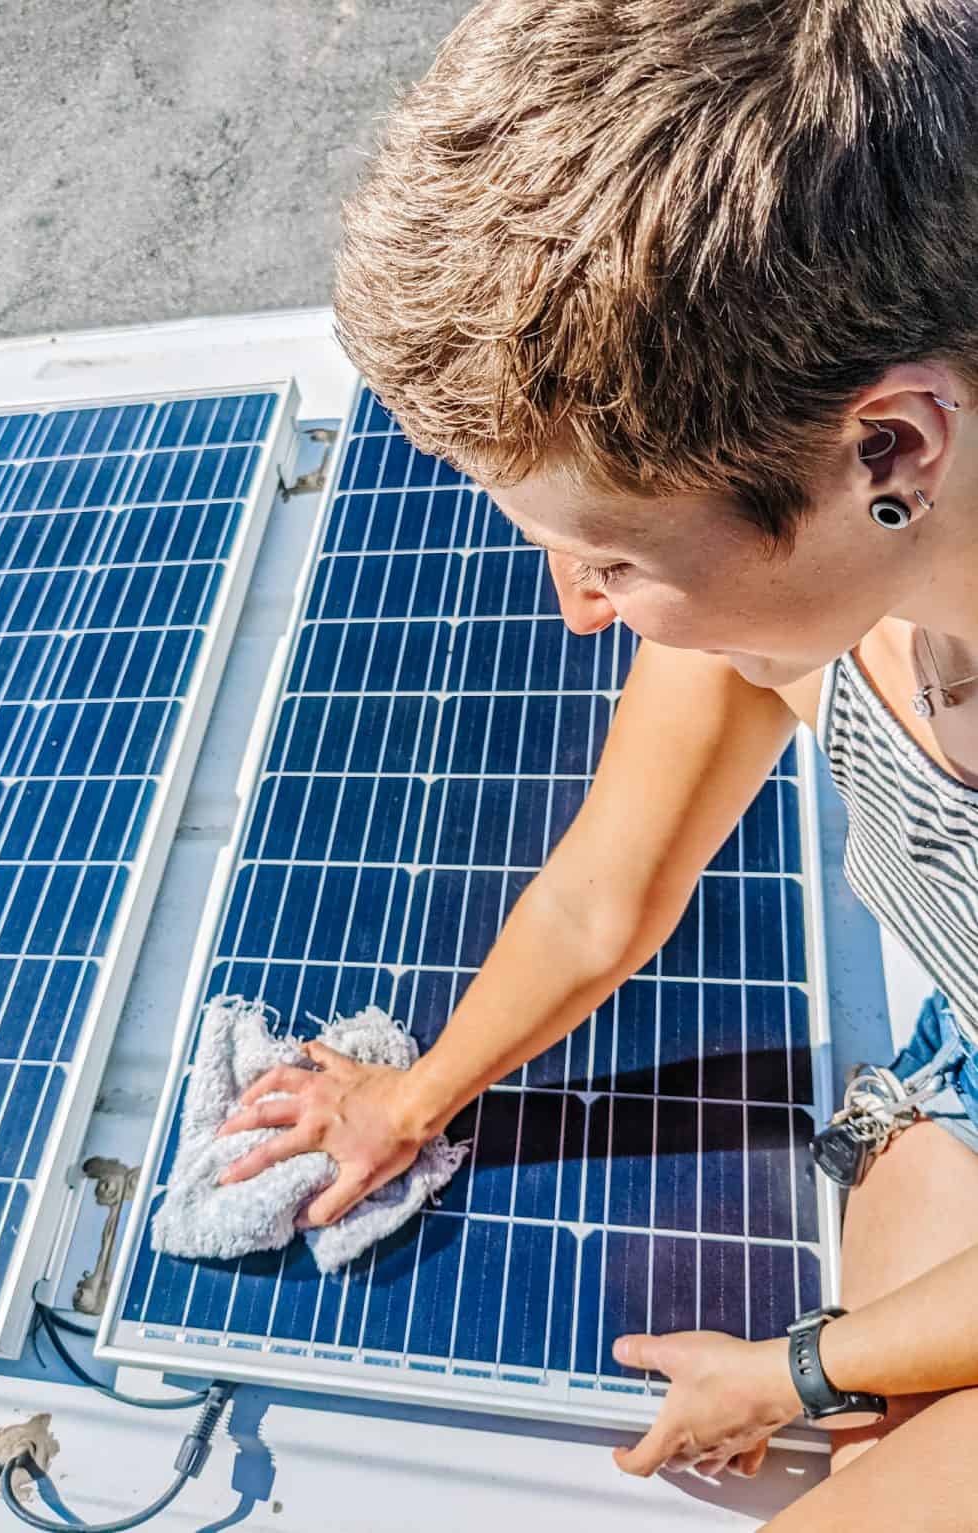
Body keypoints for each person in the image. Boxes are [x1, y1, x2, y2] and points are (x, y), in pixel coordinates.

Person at [214, 1, 978, 1522]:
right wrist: (409, 1097)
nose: (574, 614)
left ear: (887, 450)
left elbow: (800, 1377)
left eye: (610, 558)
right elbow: (597, 900)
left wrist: (793, 1370)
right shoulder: (799, 625)